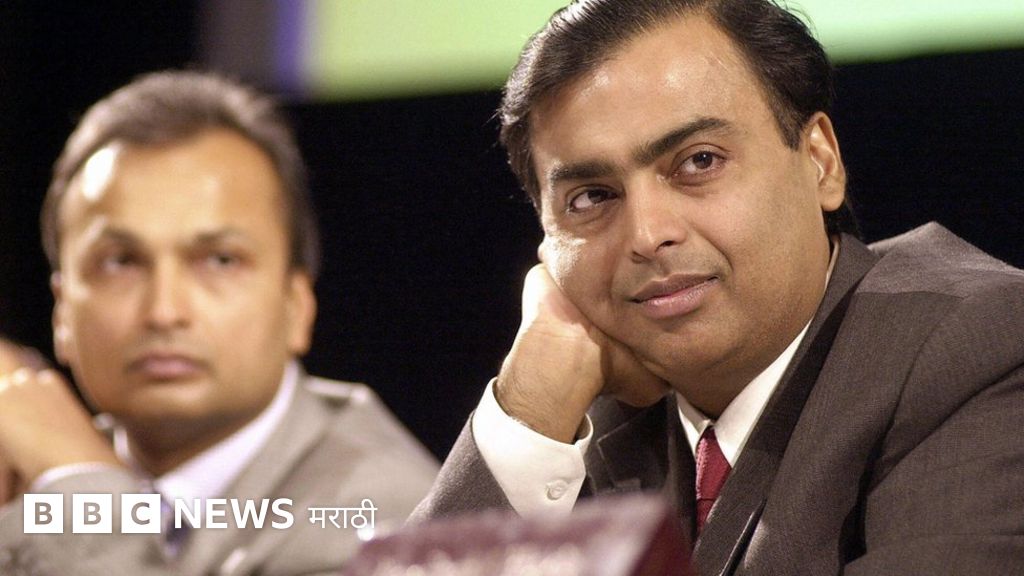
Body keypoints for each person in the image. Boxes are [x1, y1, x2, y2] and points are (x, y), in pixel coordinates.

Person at [413, 0, 1024, 573]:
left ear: (819, 160)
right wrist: (529, 412)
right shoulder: (574, 427)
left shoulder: (975, 346)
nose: (647, 235)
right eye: (592, 197)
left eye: (699, 161)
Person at [0, 70, 438, 575]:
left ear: (297, 306)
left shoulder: (384, 524)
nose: (164, 312)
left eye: (220, 260)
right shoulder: (34, 481)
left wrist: (78, 486)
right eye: (121, 262)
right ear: (61, 312)